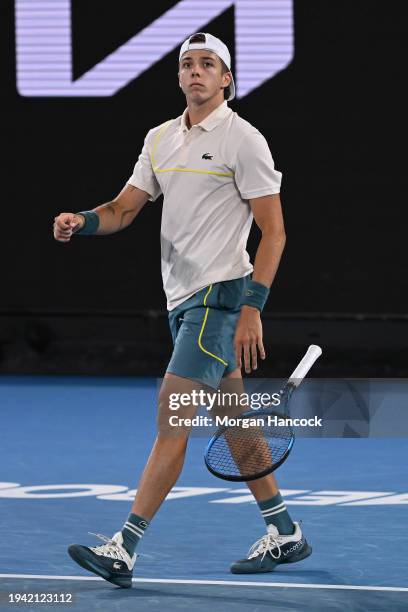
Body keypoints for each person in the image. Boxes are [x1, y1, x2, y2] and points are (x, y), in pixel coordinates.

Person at [53, 32, 312, 589]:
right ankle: (285, 531)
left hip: (218, 299)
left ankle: (124, 546)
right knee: (235, 422)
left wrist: (252, 308)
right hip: (180, 298)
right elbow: (124, 209)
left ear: (226, 80)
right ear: (178, 77)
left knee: (172, 419)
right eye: (187, 64)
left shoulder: (245, 140)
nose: (196, 71)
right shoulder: (160, 139)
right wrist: (84, 219)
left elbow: (275, 232)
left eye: (207, 64)